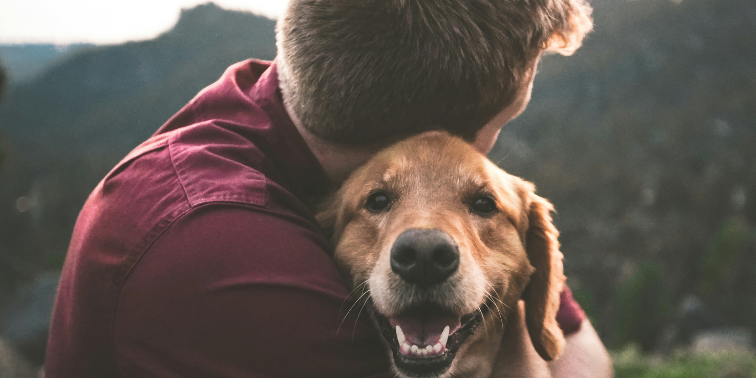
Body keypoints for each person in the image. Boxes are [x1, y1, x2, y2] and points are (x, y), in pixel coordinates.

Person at [45, 0, 611, 376]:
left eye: (480, 198)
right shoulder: (223, 255)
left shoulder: (272, 107)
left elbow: (582, 352)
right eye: (503, 123)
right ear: (431, 135)